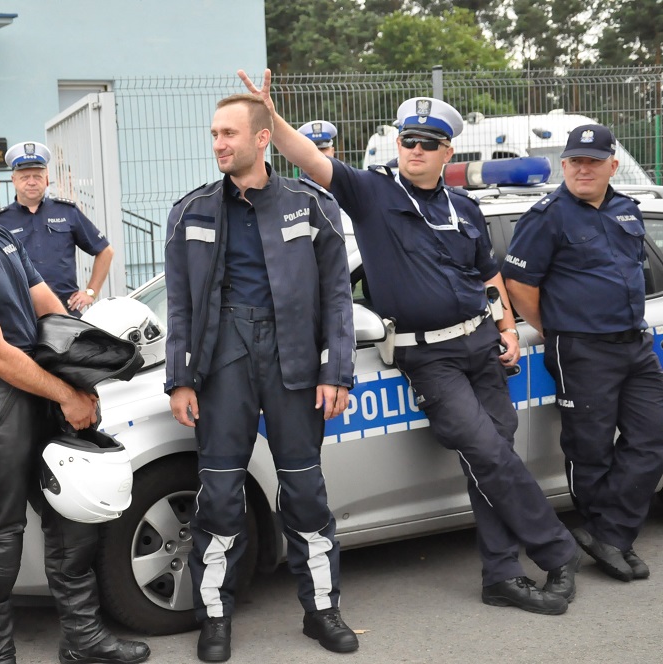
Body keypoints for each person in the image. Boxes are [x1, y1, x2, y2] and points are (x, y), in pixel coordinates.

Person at [238, 69, 581, 615]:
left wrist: (508, 327)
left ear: (447, 151)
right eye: (406, 139)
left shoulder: (464, 207)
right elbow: (309, 159)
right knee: (488, 451)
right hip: (430, 356)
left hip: (480, 346)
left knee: (487, 460)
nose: (414, 149)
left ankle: (501, 575)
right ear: (397, 143)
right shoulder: (371, 194)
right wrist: (268, 116)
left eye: (427, 143)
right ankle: (557, 550)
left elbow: (487, 276)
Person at [0, 136, 149, 664]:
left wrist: (85, 371)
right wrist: (66, 394)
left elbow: (45, 304)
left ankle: (83, 641)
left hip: (41, 380)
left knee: (71, 519)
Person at [166, 94, 358, 661]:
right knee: (220, 496)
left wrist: (336, 371)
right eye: (214, 134)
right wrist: (180, 378)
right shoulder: (189, 211)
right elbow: (179, 305)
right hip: (222, 361)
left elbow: (338, 297)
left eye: (229, 133)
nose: (219, 143)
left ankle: (322, 610)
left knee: (304, 492)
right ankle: (216, 617)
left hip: (294, 362)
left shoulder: (311, 205)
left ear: (261, 138)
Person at [502, 124, 663, 583]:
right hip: (582, 349)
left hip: (635, 343)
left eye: (593, 161)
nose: (583, 169)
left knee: (653, 440)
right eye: (575, 161)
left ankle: (608, 533)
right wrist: (556, 329)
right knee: (590, 451)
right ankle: (612, 537)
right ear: (564, 166)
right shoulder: (547, 216)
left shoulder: (625, 209)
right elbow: (519, 285)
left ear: (613, 165)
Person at [0, 141, 114, 315]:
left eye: (37, 176)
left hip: (66, 310)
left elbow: (105, 251)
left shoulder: (67, 211)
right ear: (14, 180)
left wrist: (90, 292)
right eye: (25, 177)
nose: (31, 182)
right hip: (22, 315)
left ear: (46, 180)